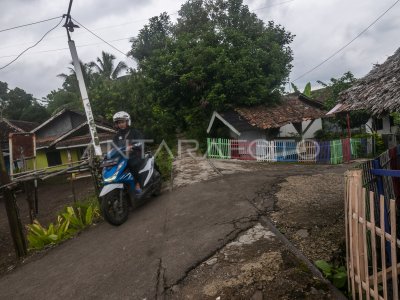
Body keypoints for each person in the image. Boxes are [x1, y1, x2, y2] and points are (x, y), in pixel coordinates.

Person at [112, 111, 144, 193]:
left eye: (122, 122)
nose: (121, 124)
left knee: (131, 164)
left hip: (136, 155)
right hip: (123, 158)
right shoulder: (116, 136)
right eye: (119, 122)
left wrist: (132, 146)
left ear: (127, 121)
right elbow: (114, 148)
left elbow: (141, 142)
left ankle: (138, 184)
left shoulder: (134, 132)